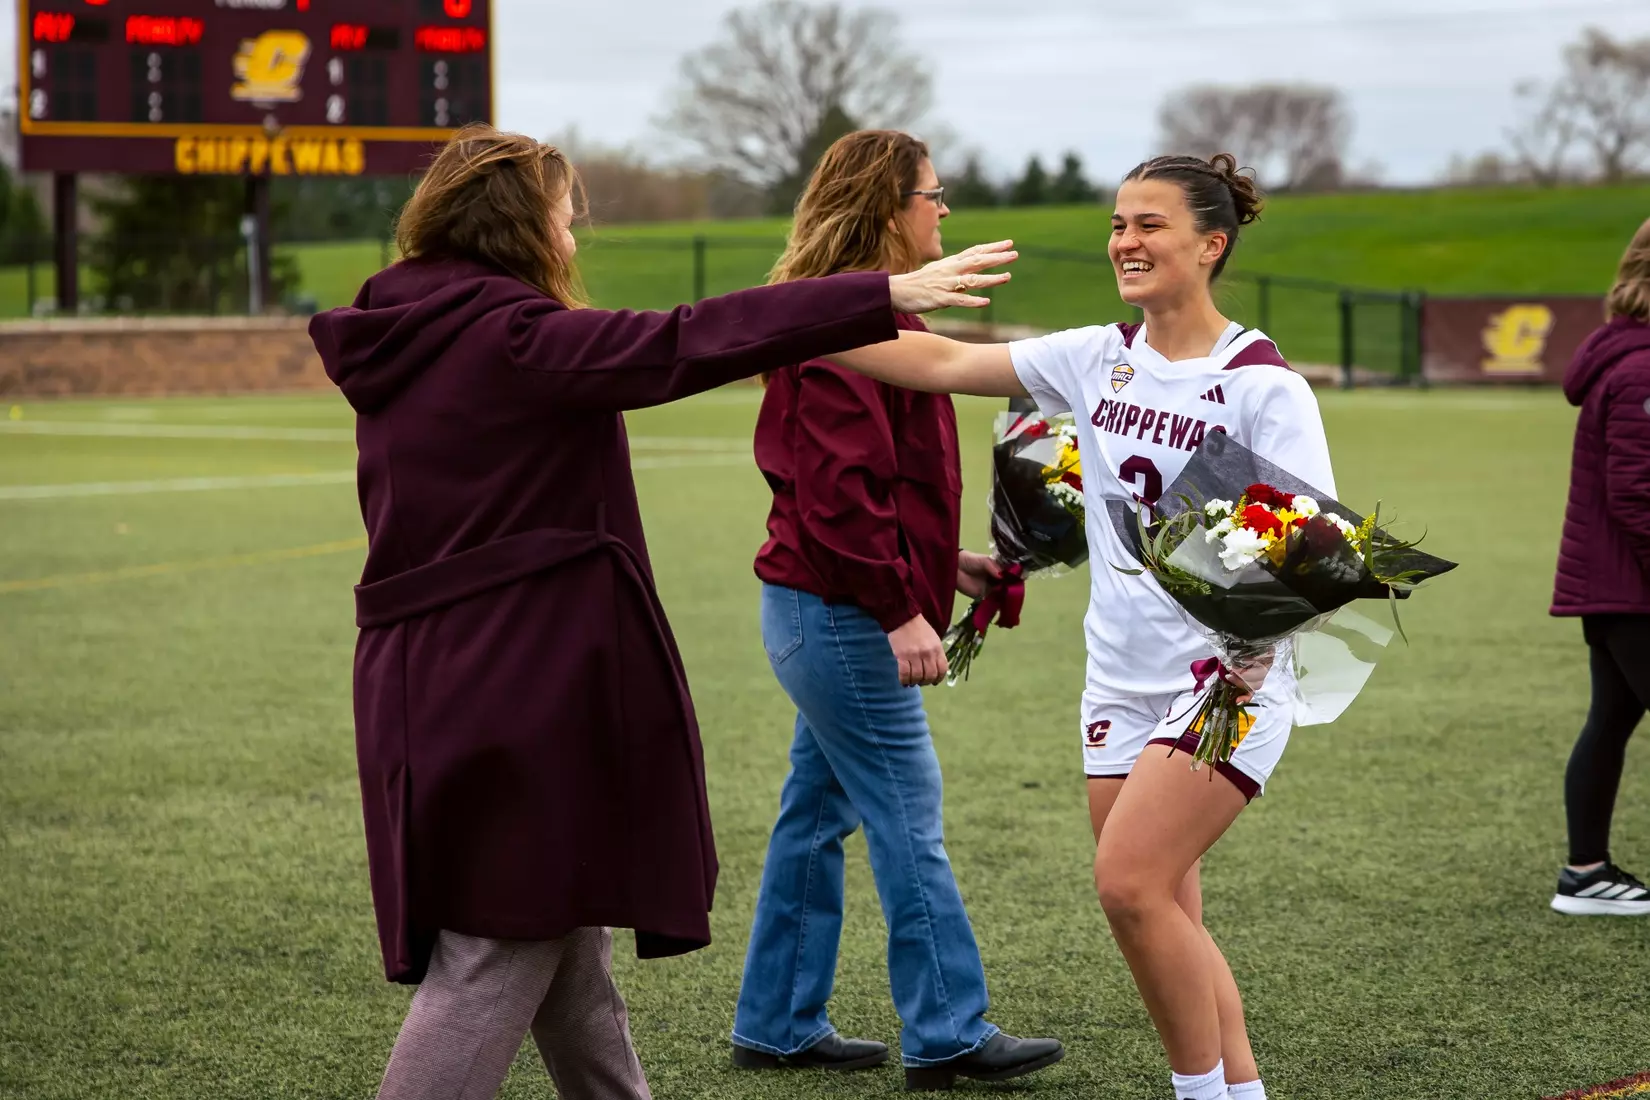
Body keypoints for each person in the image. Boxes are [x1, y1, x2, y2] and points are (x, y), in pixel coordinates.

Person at [305, 123, 1016, 1100]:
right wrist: (875, 292)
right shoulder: (512, 337)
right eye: (563, 216)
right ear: (518, 225)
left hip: (439, 675)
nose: (571, 236)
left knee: (568, 945)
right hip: (513, 679)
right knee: (499, 949)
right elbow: (684, 339)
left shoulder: (418, 332)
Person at [827, 153, 1330, 1100]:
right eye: (1117, 224)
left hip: (1224, 687)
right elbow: (935, 361)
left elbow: (1304, 548)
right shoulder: (1094, 357)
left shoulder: (1265, 384)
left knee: (1130, 886)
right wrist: (795, 322)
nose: (1126, 242)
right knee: (1164, 903)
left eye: (1150, 225)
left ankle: (1199, 1093)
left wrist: (1251, 661)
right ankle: (1241, 1089)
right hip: (1118, 679)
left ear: (1210, 245)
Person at [729, 130, 1064, 1092]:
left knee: (815, 814)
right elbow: (836, 499)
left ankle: (778, 1022)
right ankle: (950, 1031)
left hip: (821, 606)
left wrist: (941, 564)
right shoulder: (844, 333)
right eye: (933, 193)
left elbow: (866, 490)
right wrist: (896, 610)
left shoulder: (858, 323)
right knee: (907, 815)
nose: (944, 210)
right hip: (836, 612)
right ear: (887, 207)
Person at [1549, 217, 1650, 917]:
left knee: (1609, 719)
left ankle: (1586, 874)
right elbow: (1637, 490)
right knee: (1609, 720)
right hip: (1632, 589)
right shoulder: (1643, 366)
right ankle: (1584, 875)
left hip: (1617, 588)